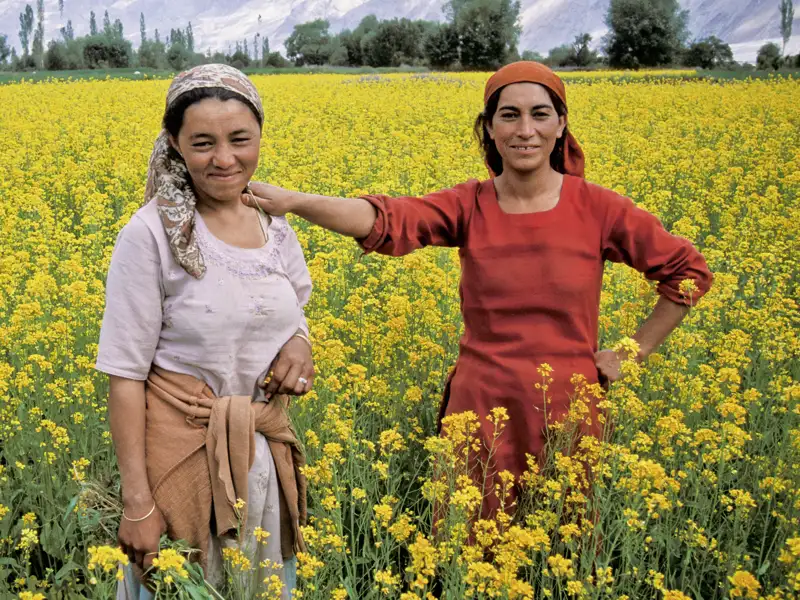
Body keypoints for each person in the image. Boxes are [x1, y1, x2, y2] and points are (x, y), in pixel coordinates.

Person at [244, 61, 713, 517]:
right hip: (481, 407)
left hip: (570, 411)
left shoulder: (600, 209)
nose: (524, 129)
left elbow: (688, 274)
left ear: (561, 124)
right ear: (489, 128)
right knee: (468, 552)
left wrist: (629, 354)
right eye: (509, 115)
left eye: (540, 114)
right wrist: (296, 202)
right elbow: (389, 219)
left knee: (564, 552)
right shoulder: (470, 204)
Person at [95, 64, 311, 599]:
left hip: (259, 457)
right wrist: (137, 504)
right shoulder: (149, 235)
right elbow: (124, 375)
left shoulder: (272, 224)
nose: (225, 159)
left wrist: (301, 344)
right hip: (180, 462)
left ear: (260, 135)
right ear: (175, 143)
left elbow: (290, 310)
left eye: (240, 139)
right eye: (202, 143)